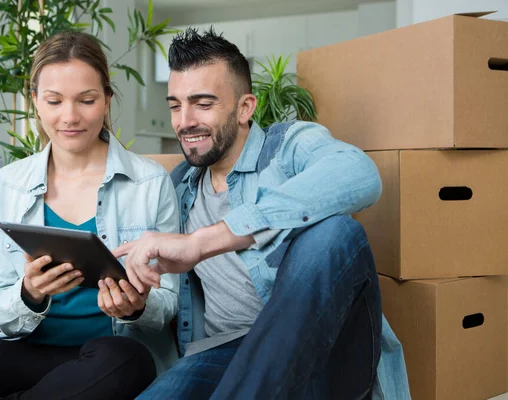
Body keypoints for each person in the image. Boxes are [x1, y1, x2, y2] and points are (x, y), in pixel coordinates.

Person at [114, 28, 411, 399]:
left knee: (335, 234)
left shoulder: (287, 147)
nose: (184, 121)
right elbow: (168, 306)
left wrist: (204, 241)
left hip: (322, 349)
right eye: (175, 105)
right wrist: (135, 302)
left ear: (245, 108)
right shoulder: (179, 188)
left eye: (203, 103)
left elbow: (359, 173)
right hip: (223, 353)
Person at [0, 31, 180, 400]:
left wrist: (137, 305)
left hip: (109, 354)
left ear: (107, 100)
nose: (69, 117)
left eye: (86, 100)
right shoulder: (8, 185)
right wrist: (30, 292)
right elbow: (0, 309)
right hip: (30, 353)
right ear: (35, 101)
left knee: (125, 358)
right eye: (54, 101)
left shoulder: (150, 182)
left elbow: (168, 304)